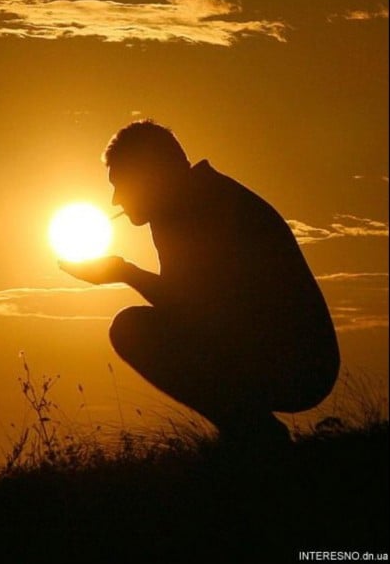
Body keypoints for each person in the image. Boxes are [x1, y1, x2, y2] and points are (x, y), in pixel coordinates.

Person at [59, 119, 340, 444]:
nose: (115, 200)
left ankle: (256, 434)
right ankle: (251, 430)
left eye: (120, 184)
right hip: (275, 353)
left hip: (297, 365)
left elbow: (194, 306)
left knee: (131, 329)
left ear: (150, 176)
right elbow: (189, 308)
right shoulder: (183, 204)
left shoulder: (207, 206)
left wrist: (125, 273)